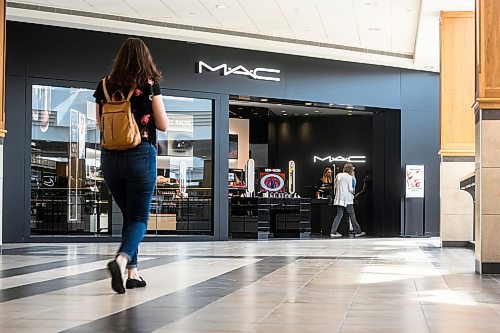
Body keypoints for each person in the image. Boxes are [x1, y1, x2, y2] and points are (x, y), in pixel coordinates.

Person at [93, 37, 169, 294]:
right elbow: (163, 124)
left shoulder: (104, 85)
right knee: (139, 217)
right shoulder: (148, 84)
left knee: (129, 216)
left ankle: (132, 274)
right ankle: (122, 259)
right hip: (140, 154)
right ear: (145, 58)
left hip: (110, 158)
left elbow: (101, 125)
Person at [330, 163, 366, 238]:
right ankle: (357, 231)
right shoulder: (349, 177)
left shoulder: (338, 175)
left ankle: (333, 232)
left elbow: (335, 187)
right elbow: (350, 189)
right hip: (347, 199)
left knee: (339, 214)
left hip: (339, 198)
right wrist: (353, 192)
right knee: (352, 214)